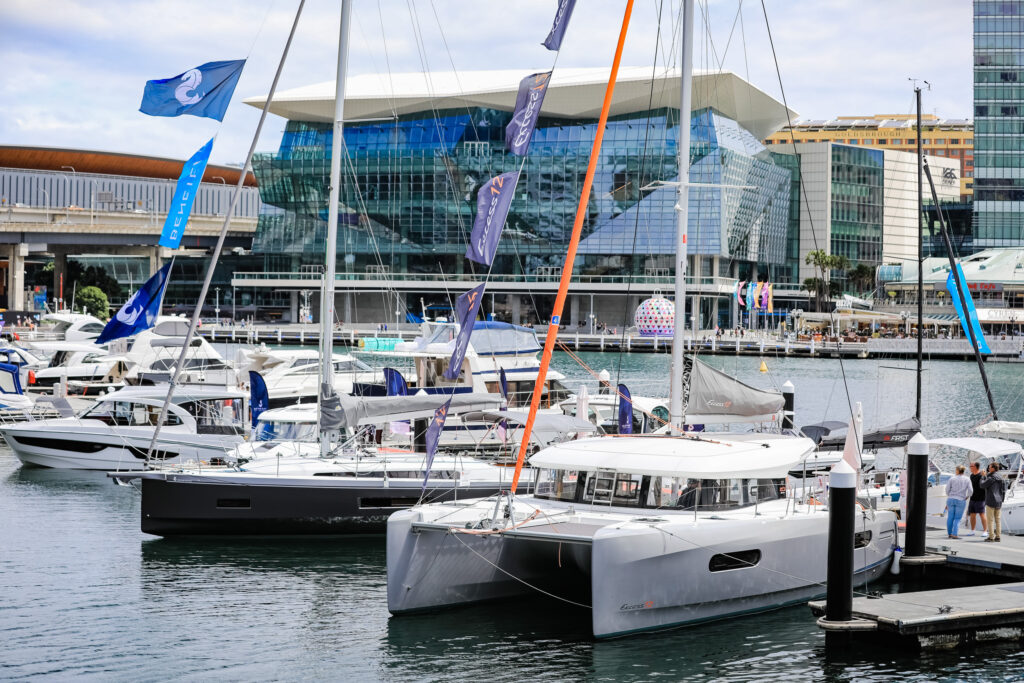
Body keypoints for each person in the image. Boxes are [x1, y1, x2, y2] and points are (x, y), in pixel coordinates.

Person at [981, 463, 1007, 543]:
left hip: (991, 500)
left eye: (989, 467)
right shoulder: (1000, 477)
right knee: (998, 520)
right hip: (999, 501)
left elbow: (982, 485)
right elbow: (1004, 490)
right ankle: (998, 537)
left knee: (990, 520)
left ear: (993, 468)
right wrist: (1002, 500)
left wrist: (983, 476)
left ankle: (991, 537)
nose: (988, 468)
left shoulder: (991, 477)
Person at [944, 465, 971, 539]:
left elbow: (947, 489)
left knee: (950, 517)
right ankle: (955, 534)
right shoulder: (967, 479)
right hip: (961, 499)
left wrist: (950, 495)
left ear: (958, 470)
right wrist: (967, 496)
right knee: (957, 518)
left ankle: (949, 533)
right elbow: (970, 490)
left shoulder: (952, 478)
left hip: (951, 499)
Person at [968, 461, 988, 537]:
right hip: (972, 498)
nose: (970, 468)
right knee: (972, 515)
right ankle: (972, 530)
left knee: (982, 514)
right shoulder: (971, 476)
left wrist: (984, 475)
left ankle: (985, 531)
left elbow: (985, 484)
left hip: (981, 498)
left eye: (971, 466)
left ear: (975, 467)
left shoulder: (981, 475)